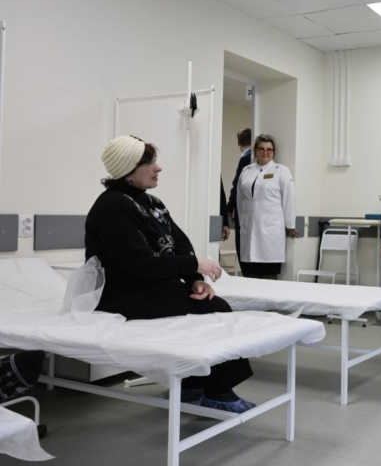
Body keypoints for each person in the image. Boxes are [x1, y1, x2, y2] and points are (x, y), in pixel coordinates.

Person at [85, 135, 255, 413]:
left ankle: (191, 383)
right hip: (123, 295)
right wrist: (195, 266)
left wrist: (196, 280)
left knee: (204, 302)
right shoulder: (112, 206)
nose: (158, 168)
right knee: (217, 309)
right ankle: (218, 392)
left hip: (152, 287)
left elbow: (180, 243)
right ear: (128, 171)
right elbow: (140, 262)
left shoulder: (152, 202)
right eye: (149, 163)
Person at [236, 134, 298, 279]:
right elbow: (240, 200)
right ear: (255, 151)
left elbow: (289, 198)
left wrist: (290, 225)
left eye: (269, 149)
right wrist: (242, 222)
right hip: (248, 231)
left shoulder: (281, 171)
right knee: (249, 277)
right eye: (261, 149)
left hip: (270, 234)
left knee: (268, 278)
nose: (265, 152)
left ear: (274, 152)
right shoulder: (246, 171)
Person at [227, 127, 252, 262]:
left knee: (242, 245)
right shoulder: (254, 157)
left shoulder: (246, 158)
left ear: (238, 142)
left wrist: (229, 207)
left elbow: (237, 184)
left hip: (242, 208)